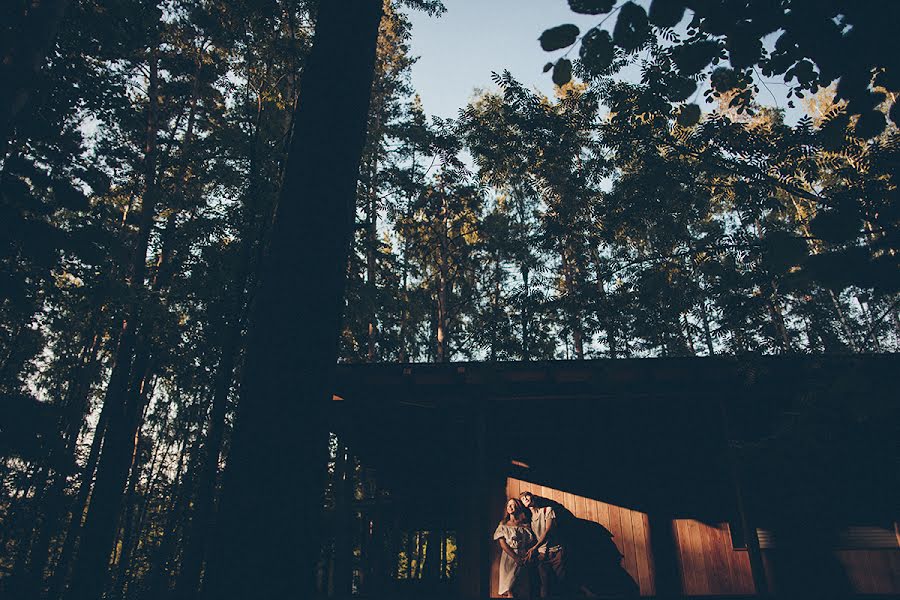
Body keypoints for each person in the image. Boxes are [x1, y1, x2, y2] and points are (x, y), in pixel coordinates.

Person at [520, 491, 568, 598]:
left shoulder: (547, 510)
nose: (525, 498)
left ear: (533, 497)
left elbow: (548, 530)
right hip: (542, 555)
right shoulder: (530, 520)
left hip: (556, 552)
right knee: (545, 586)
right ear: (523, 505)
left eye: (527, 496)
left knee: (560, 583)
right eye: (522, 499)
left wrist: (534, 547)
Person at [493, 497, 536, 598]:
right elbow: (502, 543)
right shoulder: (503, 524)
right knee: (509, 588)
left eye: (512, 505)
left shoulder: (525, 525)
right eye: (508, 505)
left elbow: (530, 542)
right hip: (509, 557)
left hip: (523, 556)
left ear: (518, 507)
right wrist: (515, 557)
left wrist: (527, 556)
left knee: (520, 587)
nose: (510, 507)